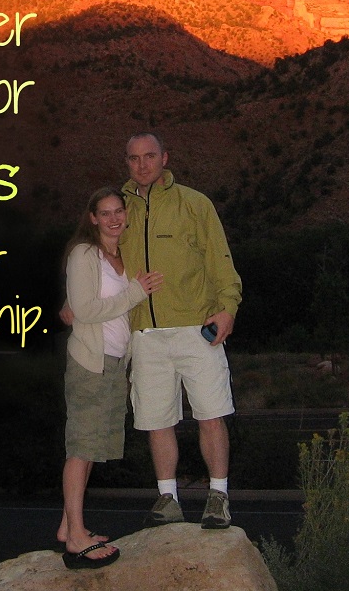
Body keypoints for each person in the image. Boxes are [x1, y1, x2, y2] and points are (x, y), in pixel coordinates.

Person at [120, 132, 241, 530]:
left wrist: (228, 308)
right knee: (157, 421)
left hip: (196, 327)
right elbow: (100, 259)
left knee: (211, 414)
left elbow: (220, 259)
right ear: (128, 163)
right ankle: (167, 498)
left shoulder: (194, 203)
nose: (142, 164)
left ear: (165, 158)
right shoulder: (120, 210)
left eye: (149, 156)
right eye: (134, 158)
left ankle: (218, 497)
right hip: (146, 334)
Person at [58, 187, 163, 569]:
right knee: (81, 447)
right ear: (93, 218)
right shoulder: (84, 254)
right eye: (106, 213)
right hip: (90, 363)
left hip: (115, 363)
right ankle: (76, 538)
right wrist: (135, 292)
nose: (115, 218)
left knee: (91, 445)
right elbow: (84, 309)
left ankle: (69, 525)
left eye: (119, 210)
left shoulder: (122, 254)